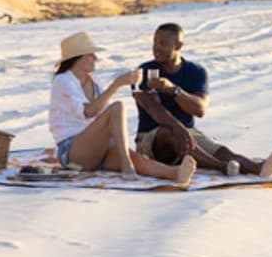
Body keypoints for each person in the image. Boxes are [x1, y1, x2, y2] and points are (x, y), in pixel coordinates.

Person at [133, 22, 272, 178]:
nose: (156, 48)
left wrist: (173, 90)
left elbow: (199, 110)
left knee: (222, 151)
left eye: (163, 43)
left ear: (178, 46)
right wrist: (177, 127)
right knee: (171, 134)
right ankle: (222, 167)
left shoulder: (196, 72)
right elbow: (153, 108)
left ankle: (258, 168)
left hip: (187, 133)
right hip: (152, 138)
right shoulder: (144, 71)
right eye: (155, 42)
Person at [48, 30, 195, 188]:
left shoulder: (93, 80)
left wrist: (121, 146)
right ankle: (126, 165)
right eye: (91, 55)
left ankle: (175, 173)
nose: (96, 58)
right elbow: (88, 112)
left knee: (137, 159)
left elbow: (105, 116)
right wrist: (118, 84)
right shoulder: (63, 81)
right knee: (117, 107)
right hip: (73, 153)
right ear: (77, 58)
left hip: (97, 148)